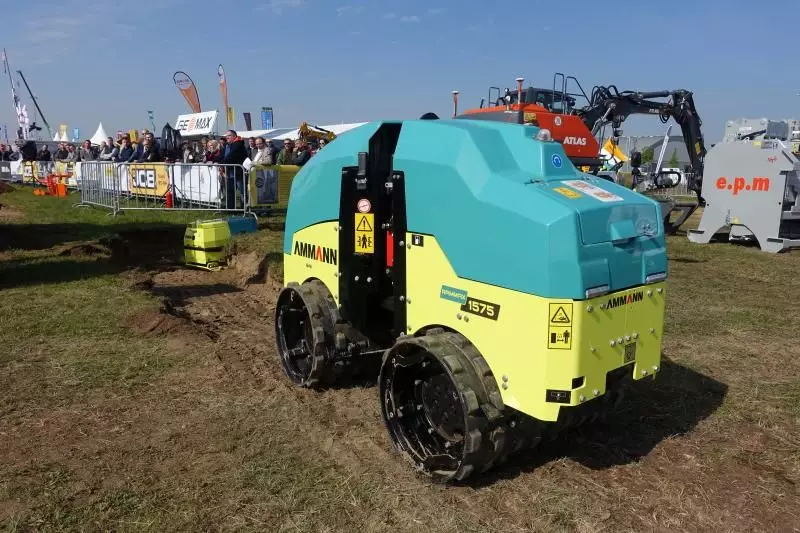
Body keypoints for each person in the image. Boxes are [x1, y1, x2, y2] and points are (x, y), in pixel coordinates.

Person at [220, 130, 248, 209]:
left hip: (239, 171)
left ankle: (245, 208)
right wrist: (215, 161)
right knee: (230, 191)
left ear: (234, 136)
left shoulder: (238, 144)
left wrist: (221, 163)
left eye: (229, 135)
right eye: (226, 135)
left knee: (242, 191)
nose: (227, 137)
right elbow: (223, 156)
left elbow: (231, 156)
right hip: (230, 172)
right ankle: (230, 208)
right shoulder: (227, 145)